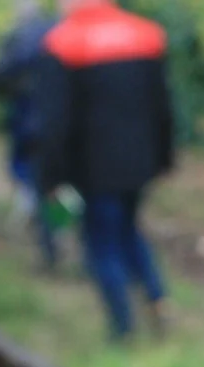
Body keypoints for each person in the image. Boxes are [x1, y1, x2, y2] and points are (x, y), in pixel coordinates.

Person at [37, 0, 175, 343]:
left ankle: (122, 327)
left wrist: (51, 178)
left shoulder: (63, 43)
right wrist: (163, 158)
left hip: (92, 170)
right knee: (128, 229)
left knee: (102, 244)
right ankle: (157, 300)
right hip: (139, 164)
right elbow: (162, 105)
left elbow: (54, 122)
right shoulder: (145, 35)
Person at [0, 0, 58, 271]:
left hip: (31, 127)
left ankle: (51, 246)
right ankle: (59, 235)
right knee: (56, 185)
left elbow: (0, 75)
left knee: (37, 184)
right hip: (54, 127)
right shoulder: (57, 29)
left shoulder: (20, 38)